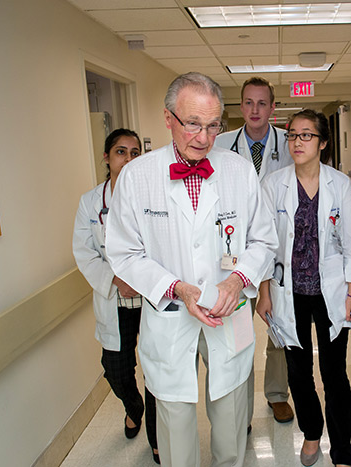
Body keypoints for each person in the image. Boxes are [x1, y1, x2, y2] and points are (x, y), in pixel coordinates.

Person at [105, 72, 277, 467]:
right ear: (169, 119)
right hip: (170, 313)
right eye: (193, 124)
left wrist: (238, 280)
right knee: (175, 424)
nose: (204, 137)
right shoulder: (138, 176)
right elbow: (124, 253)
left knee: (231, 417)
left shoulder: (237, 170)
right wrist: (177, 288)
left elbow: (264, 240)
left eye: (214, 125)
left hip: (227, 311)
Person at [256, 110, 351, 467]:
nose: (297, 142)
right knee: (298, 373)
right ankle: (313, 433)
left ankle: (343, 450)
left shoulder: (339, 183)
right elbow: (264, 244)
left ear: (323, 142)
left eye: (306, 135)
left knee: (335, 374)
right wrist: (264, 291)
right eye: (292, 135)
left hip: (330, 292)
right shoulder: (273, 185)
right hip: (288, 292)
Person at [72, 129, 159, 463]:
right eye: (121, 152)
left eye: (135, 152)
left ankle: (155, 437)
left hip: (149, 300)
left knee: (154, 369)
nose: (129, 158)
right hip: (116, 299)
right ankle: (132, 406)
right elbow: (84, 252)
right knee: (116, 370)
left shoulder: (154, 199)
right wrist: (115, 281)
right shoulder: (90, 202)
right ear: (107, 157)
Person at [215, 76, 294, 426]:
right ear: (240, 106)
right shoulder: (218, 145)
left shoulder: (290, 144)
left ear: (273, 108)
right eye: (248, 103)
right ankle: (241, 407)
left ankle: (277, 394)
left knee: (278, 329)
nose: (255, 110)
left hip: (279, 252)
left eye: (262, 103)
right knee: (239, 334)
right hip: (235, 257)